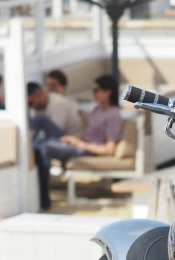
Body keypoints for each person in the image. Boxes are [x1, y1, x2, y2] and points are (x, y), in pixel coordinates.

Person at [36, 74, 124, 210]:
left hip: (87, 150)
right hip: (79, 143)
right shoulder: (97, 110)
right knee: (40, 119)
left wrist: (81, 144)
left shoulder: (113, 116)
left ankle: (44, 197)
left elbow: (109, 149)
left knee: (44, 147)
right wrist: (74, 139)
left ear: (107, 92)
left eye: (96, 90)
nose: (93, 94)